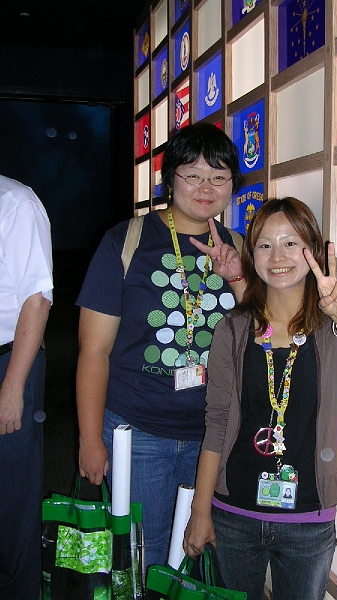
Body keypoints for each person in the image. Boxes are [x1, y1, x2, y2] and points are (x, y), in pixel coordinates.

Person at [183, 197, 337, 600]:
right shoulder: (233, 330)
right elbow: (216, 423)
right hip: (234, 514)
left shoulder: (332, 325)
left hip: (309, 518)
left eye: (291, 243)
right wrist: (200, 511)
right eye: (265, 245)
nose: (278, 256)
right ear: (253, 254)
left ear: (313, 250)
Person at [76, 122, 244, 568]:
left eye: (219, 176)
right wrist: (91, 439)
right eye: (192, 174)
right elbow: (94, 352)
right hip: (137, 431)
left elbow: (263, 334)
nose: (206, 187)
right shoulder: (126, 241)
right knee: (142, 556)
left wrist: (241, 276)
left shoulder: (241, 249)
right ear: (170, 179)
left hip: (214, 438)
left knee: (198, 557)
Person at [0, 175, 53, 599]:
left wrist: (12, 387)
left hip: (7, 362)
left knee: (11, 500)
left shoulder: (15, 201)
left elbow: (37, 298)